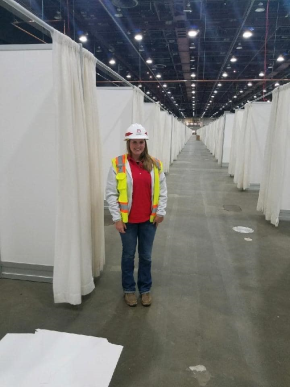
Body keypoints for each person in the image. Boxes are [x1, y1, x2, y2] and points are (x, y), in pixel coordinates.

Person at [106, 123, 167, 307]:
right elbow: (111, 193)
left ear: (145, 143)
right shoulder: (118, 164)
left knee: (146, 257)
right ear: (128, 143)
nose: (137, 146)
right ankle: (129, 290)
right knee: (128, 256)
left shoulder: (155, 164)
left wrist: (161, 212)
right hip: (128, 222)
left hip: (149, 221)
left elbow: (162, 190)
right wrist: (116, 218)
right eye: (134, 142)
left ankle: (145, 290)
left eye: (141, 142)